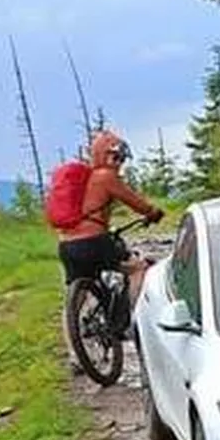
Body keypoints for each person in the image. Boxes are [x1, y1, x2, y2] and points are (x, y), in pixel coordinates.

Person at [56, 128, 164, 312]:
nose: (119, 163)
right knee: (137, 269)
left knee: (81, 284)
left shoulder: (82, 179)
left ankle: (76, 325)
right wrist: (153, 212)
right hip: (94, 242)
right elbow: (135, 202)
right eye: (117, 158)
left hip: (66, 246)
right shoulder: (106, 177)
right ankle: (133, 318)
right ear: (107, 156)